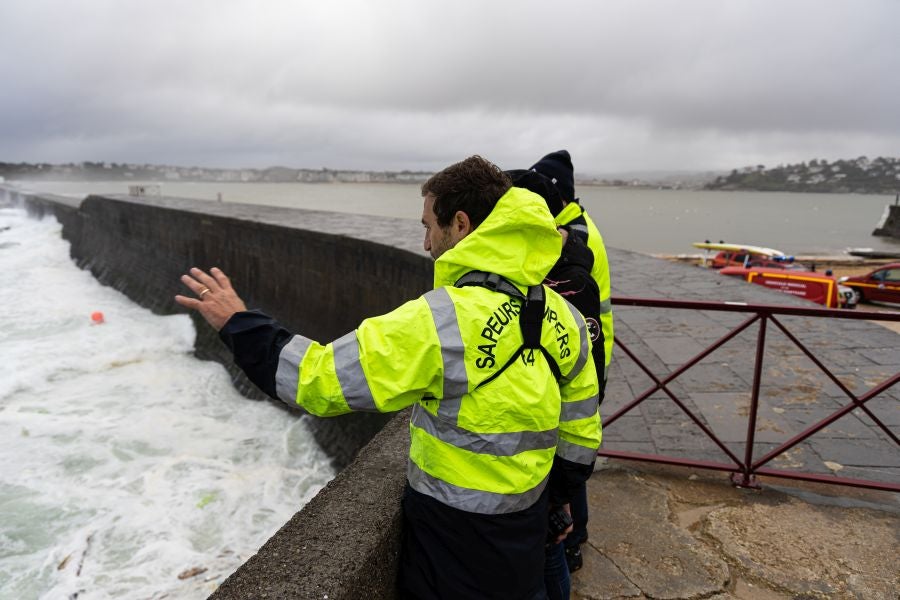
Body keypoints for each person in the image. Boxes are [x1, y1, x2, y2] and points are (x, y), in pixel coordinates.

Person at [175, 155, 602, 600]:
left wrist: (238, 323)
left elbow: (318, 381)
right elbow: (580, 432)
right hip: (528, 523)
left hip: (454, 539)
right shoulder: (565, 317)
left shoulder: (442, 321)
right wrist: (558, 500)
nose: (424, 243)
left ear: (460, 224)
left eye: (427, 227)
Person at [506, 169, 601, 600]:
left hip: (552, 439)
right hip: (553, 436)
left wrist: (560, 490)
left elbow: (575, 385)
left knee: (553, 546)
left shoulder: (566, 281)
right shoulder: (567, 265)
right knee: (553, 542)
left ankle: (574, 539)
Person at [529, 150, 614, 573]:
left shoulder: (577, 235)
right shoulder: (574, 224)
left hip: (585, 358)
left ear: (557, 194)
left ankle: (574, 537)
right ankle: (571, 532)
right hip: (589, 352)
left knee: (572, 456)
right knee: (573, 450)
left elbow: (575, 302)